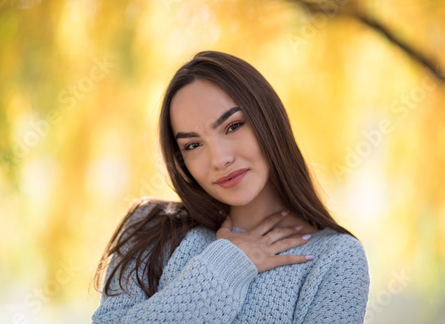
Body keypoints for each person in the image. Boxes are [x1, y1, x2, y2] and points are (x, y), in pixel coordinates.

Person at [91, 51, 370, 323]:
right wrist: (225, 267)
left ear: (268, 119)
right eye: (193, 145)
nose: (220, 159)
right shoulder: (150, 228)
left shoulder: (336, 259)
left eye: (233, 126)